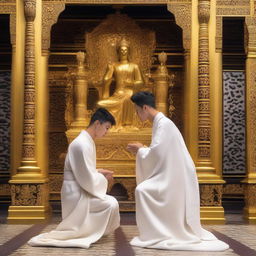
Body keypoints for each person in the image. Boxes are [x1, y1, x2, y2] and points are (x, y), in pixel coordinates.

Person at [126, 91, 229, 251]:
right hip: (170, 174)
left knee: (142, 190)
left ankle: (159, 233)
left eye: (137, 110)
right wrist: (144, 150)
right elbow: (159, 152)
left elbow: (157, 152)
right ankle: (158, 231)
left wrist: (141, 150)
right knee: (142, 190)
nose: (136, 114)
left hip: (175, 177)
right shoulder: (159, 123)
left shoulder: (164, 124)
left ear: (145, 107)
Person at [28, 108, 120, 248]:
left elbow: (84, 172)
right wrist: (104, 179)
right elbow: (86, 179)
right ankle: (84, 233)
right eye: (106, 128)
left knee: (111, 203)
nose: (106, 132)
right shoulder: (81, 144)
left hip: (81, 187)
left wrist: (98, 172)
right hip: (76, 193)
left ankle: (90, 232)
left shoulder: (87, 141)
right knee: (111, 203)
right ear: (97, 124)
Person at [97, 38, 143, 129]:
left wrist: (131, 84)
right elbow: (106, 80)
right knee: (100, 104)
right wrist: (109, 70)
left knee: (128, 99)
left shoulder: (134, 66)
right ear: (118, 52)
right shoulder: (114, 65)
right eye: (121, 50)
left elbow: (140, 82)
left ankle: (127, 124)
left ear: (128, 51)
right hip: (117, 95)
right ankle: (110, 125)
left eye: (126, 50)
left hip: (129, 93)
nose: (123, 52)